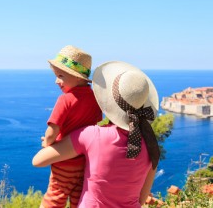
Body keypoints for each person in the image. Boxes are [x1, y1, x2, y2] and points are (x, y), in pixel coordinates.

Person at [33, 61, 161, 208]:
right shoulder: (151, 146)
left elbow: (38, 161)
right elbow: (141, 199)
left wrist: (50, 142)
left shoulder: (93, 135)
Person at [40, 45, 102, 208]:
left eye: (60, 76)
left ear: (78, 77)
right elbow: (95, 127)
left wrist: (47, 144)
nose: (56, 81)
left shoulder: (65, 100)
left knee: (56, 197)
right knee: (78, 198)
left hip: (64, 162)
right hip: (84, 161)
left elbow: (51, 133)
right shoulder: (95, 99)